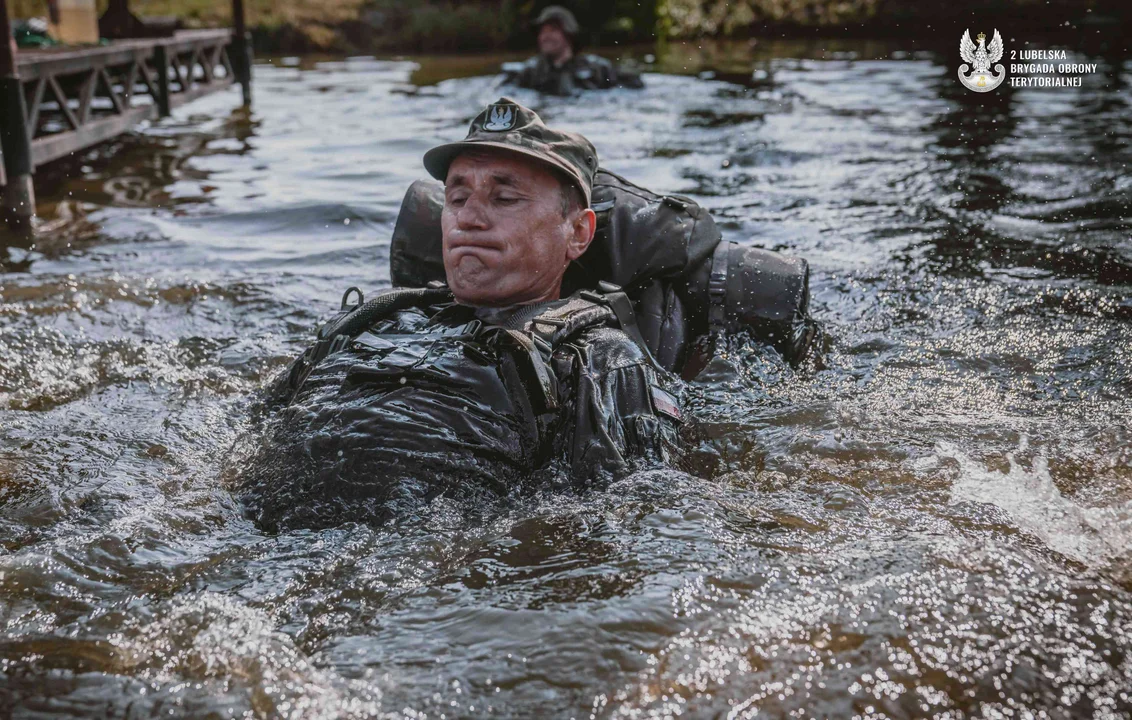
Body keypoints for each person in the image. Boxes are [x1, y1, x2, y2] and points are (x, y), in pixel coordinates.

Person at [237, 98, 682, 531]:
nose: (469, 218)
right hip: (243, 534)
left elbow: (626, 516)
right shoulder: (373, 319)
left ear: (578, 232)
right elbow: (248, 430)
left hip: (409, 571)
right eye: (457, 197)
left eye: (505, 198)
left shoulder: (596, 357)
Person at [503, 5, 644, 95]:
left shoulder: (597, 67)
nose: (545, 37)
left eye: (552, 30)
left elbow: (633, 87)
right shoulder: (530, 71)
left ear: (568, 34)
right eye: (542, 32)